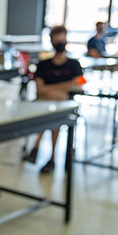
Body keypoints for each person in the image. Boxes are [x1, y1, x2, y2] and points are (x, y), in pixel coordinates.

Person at [26, 25, 84, 174]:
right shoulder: (43, 65)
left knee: (55, 113)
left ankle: (37, 149)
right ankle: (50, 158)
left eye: (62, 40)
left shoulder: (75, 64)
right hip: (45, 104)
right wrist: (65, 87)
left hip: (65, 105)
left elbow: (80, 85)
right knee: (52, 113)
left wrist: (51, 90)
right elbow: (39, 89)